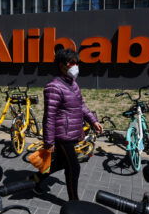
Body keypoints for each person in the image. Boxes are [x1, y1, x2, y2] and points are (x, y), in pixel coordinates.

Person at [28, 49, 103, 201]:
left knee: (61, 163)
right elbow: (49, 116)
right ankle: (74, 203)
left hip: (73, 131)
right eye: (73, 63)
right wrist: (48, 142)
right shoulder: (53, 87)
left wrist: (93, 121)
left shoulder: (73, 84)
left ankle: (35, 179)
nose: (76, 66)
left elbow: (81, 105)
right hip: (62, 135)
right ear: (62, 65)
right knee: (74, 167)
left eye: (77, 62)